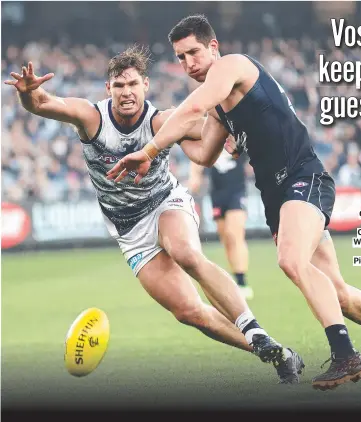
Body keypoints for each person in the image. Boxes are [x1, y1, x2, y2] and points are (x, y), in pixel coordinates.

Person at [107, 17, 361, 390]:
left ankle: (346, 354)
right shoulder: (221, 109)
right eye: (180, 57)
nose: (188, 63)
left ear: (213, 47)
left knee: (290, 261)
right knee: (337, 292)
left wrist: (149, 147)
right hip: (277, 196)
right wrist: (170, 136)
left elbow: (192, 108)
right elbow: (204, 154)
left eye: (193, 52)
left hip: (303, 178)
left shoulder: (232, 66)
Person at [4, 46, 304, 384]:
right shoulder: (92, 118)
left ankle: (252, 327)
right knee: (191, 313)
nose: (126, 92)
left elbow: (213, 129)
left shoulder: (162, 120)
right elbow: (45, 103)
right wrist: (30, 94)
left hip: (166, 203)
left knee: (185, 252)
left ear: (145, 85)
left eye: (132, 84)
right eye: (118, 86)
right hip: (130, 230)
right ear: (108, 90)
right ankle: (272, 350)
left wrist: (239, 133)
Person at [188, 139, 253, 299]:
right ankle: (235, 278)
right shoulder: (209, 135)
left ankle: (242, 281)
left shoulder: (238, 134)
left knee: (234, 234)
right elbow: (197, 157)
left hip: (237, 191)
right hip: (217, 194)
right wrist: (194, 177)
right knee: (226, 238)